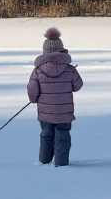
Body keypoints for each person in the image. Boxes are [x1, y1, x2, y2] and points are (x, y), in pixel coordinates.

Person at [27, 27, 83, 167]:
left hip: (45, 112)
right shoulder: (69, 69)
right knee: (62, 136)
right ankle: (61, 163)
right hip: (64, 112)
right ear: (61, 49)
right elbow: (78, 86)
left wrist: (35, 99)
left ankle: (44, 161)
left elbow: (32, 93)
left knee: (46, 136)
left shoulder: (38, 70)